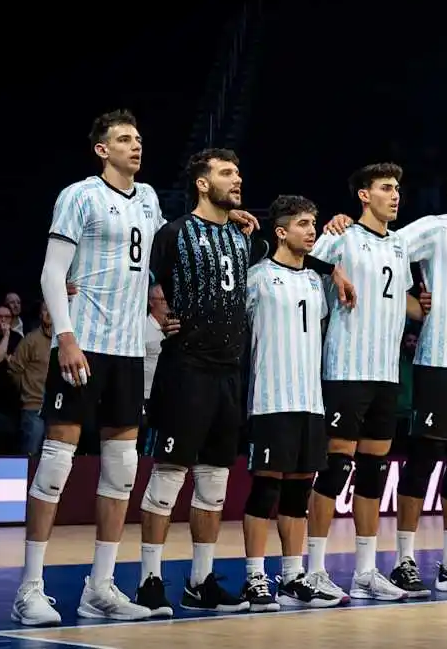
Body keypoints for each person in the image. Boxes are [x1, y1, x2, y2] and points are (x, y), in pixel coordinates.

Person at [13, 112, 257, 627]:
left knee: (121, 473)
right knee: (56, 465)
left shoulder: (148, 199)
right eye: (124, 139)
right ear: (102, 150)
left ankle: (99, 587)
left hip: (128, 352)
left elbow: (153, 259)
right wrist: (65, 336)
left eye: (139, 139)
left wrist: (159, 305)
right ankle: (28, 588)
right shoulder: (78, 195)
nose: (135, 146)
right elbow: (53, 271)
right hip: (84, 347)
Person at [324, 158, 447, 595]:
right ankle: (405, 561)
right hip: (438, 361)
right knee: (423, 463)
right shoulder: (431, 228)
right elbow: (383, 248)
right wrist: (339, 235)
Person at [134, 149, 254, 617]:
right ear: (203, 183)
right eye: (227, 172)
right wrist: (158, 312)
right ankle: (149, 580)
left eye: (237, 171)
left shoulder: (245, 236)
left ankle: (200, 581)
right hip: (186, 370)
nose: (237, 179)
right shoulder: (174, 233)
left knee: (215, 484)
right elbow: (141, 278)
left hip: (229, 372)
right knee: (168, 477)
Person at [303, 163, 423, 603]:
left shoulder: (398, 245)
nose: (395, 195)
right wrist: (331, 265)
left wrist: (428, 306)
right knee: (335, 469)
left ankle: (366, 571)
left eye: (397, 188)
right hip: (346, 369)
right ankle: (313, 569)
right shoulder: (341, 235)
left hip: (386, 374)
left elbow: (403, 298)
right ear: (363, 196)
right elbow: (304, 260)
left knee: (373, 471)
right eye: (386, 188)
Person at [242, 195, 342, 609]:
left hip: (310, 402)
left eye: (313, 223)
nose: (311, 230)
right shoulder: (258, 278)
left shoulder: (315, 283)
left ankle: (291, 575)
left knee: (299, 492)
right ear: (281, 232)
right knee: (265, 490)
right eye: (303, 224)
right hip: (270, 400)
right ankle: (254, 578)